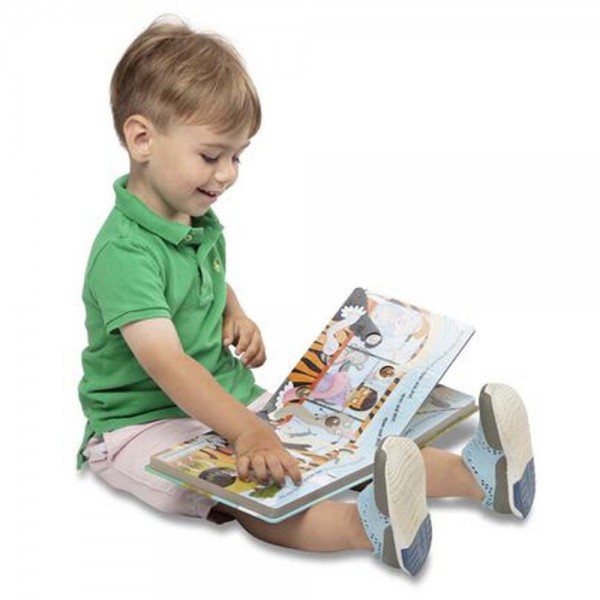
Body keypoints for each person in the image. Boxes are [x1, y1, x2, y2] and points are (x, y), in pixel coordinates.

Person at [77, 16, 536, 577]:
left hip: (221, 398)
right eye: (212, 155)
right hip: (140, 426)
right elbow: (166, 362)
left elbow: (197, 280)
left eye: (238, 156)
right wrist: (246, 429)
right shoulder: (123, 253)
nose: (228, 174)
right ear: (142, 139)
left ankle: (482, 475)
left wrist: (234, 311)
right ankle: (371, 527)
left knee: (325, 440)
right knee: (252, 491)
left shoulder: (193, 220)